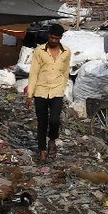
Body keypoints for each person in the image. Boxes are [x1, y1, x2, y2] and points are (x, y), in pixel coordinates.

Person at [26, 23, 71, 163]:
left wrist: (62, 87)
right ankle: (42, 150)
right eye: (51, 37)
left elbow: (65, 72)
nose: (53, 40)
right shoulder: (39, 51)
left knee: (54, 120)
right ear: (48, 36)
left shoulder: (66, 52)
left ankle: (52, 139)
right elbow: (34, 73)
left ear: (60, 38)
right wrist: (29, 94)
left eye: (56, 38)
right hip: (40, 91)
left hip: (57, 92)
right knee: (42, 123)